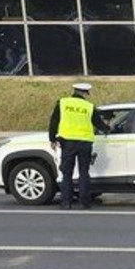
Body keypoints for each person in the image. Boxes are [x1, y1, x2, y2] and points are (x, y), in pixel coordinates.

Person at [47, 81, 96, 210]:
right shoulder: (89, 106)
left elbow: (54, 121)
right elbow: (98, 123)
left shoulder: (62, 103)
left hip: (68, 143)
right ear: (86, 93)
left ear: (74, 91)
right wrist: (108, 128)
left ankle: (66, 202)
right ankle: (84, 203)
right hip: (85, 143)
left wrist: (52, 138)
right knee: (84, 172)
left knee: (67, 173)